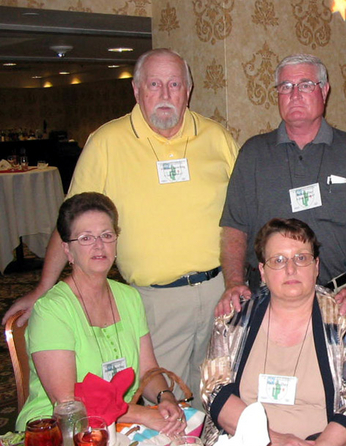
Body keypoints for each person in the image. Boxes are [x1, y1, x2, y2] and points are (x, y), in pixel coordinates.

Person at [3, 48, 239, 409]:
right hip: (154, 301)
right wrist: (42, 288)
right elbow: (70, 220)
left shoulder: (217, 138)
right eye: (154, 84)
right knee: (166, 402)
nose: (165, 94)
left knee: (220, 394)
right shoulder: (106, 143)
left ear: (188, 90)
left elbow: (244, 213)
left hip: (219, 291)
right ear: (136, 90)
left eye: (174, 84)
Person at [217, 54, 346, 326]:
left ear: (324, 91)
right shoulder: (253, 154)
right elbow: (235, 228)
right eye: (285, 86)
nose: (294, 95)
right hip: (267, 301)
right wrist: (234, 283)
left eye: (305, 85)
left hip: (339, 300)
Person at [16, 193, 186, 434]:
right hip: (58, 429)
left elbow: (148, 370)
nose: (99, 245)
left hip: (121, 424)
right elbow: (68, 404)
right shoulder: (51, 310)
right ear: (67, 249)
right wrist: (143, 414)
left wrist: (165, 397)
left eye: (106, 236)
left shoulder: (129, 297)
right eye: (86, 238)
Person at [200, 218, 346, 446]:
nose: (291, 268)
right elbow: (214, 389)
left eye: (301, 258)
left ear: (316, 267)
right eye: (279, 260)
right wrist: (274, 440)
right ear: (263, 272)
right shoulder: (233, 318)